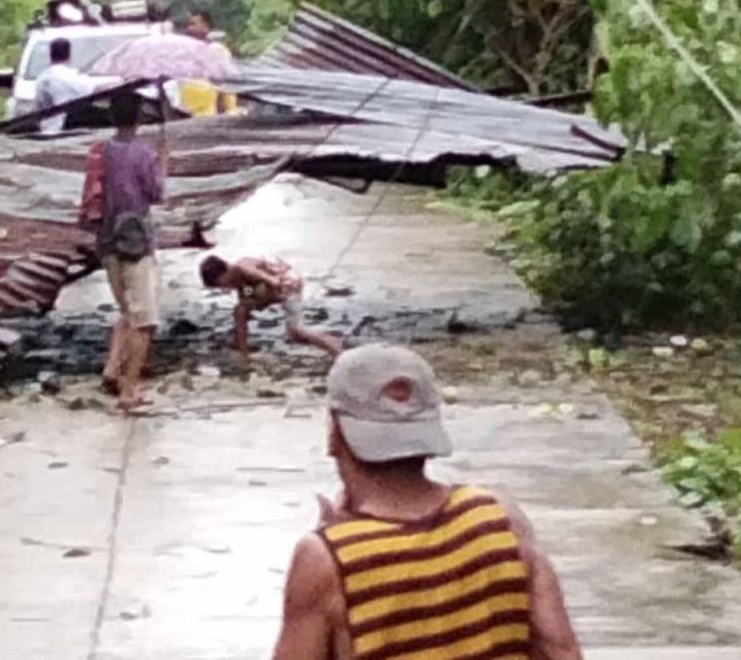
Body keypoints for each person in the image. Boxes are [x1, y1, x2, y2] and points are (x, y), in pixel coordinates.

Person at [272, 344, 582, 659]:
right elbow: (561, 649)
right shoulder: (499, 516)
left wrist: (335, 546)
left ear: (334, 434)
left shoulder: (325, 560)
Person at [96, 92, 167, 410]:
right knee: (144, 321)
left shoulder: (103, 151)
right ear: (139, 118)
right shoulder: (143, 154)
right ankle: (129, 391)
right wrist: (163, 164)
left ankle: (111, 370)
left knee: (127, 311)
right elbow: (155, 193)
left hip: (108, 240)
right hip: (136, 243)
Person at [199, 255, 344, 357]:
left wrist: (266, 287)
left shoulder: (240, 267)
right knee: (294, 336)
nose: (224, 287)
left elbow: (263, 277)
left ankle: (335, 347)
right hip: (273, 288)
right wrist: (250, 299)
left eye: (220, 283)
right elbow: (247, 291)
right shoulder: (237, 280)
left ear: (224, 271)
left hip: (285, 284)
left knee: (297, 329)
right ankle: (242, 348)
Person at [179, 9, 239, 118]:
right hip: (184, 110)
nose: (189, 28)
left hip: (207, 112)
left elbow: (227, 80)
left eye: (193, 24)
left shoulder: (217, 50)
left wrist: (230, 109)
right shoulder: (184, 51)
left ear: (205, 26)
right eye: (188, 25)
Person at [35, 38, 98, 135]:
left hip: (46, 130)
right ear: (69, 54)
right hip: (64, 132)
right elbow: (94, 90)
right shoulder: (70, 77)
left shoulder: (41, 78)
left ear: (51, 55)